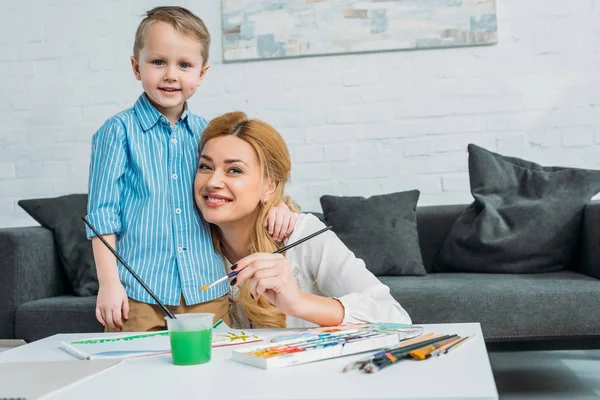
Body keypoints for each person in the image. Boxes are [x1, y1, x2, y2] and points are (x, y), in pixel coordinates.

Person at [86, 7, 295, 333]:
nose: (171, 74)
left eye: (184, 65)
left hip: (205, 288)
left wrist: (279, 204)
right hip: (140, 292)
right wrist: (109, 284)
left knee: (216, 372)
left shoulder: (207, 134)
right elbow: (102, 217)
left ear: (201, 74)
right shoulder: (118, 132)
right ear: (135, 66)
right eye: (158, 62)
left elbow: (240, 181)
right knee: (137, 375)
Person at [194, 112, 412, 329]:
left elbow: (395, 317)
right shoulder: (190, 243)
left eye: (234, 170)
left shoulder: (302, 234)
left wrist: (298, 302)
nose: (213, 181)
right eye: (205, 166)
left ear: (270, 186)